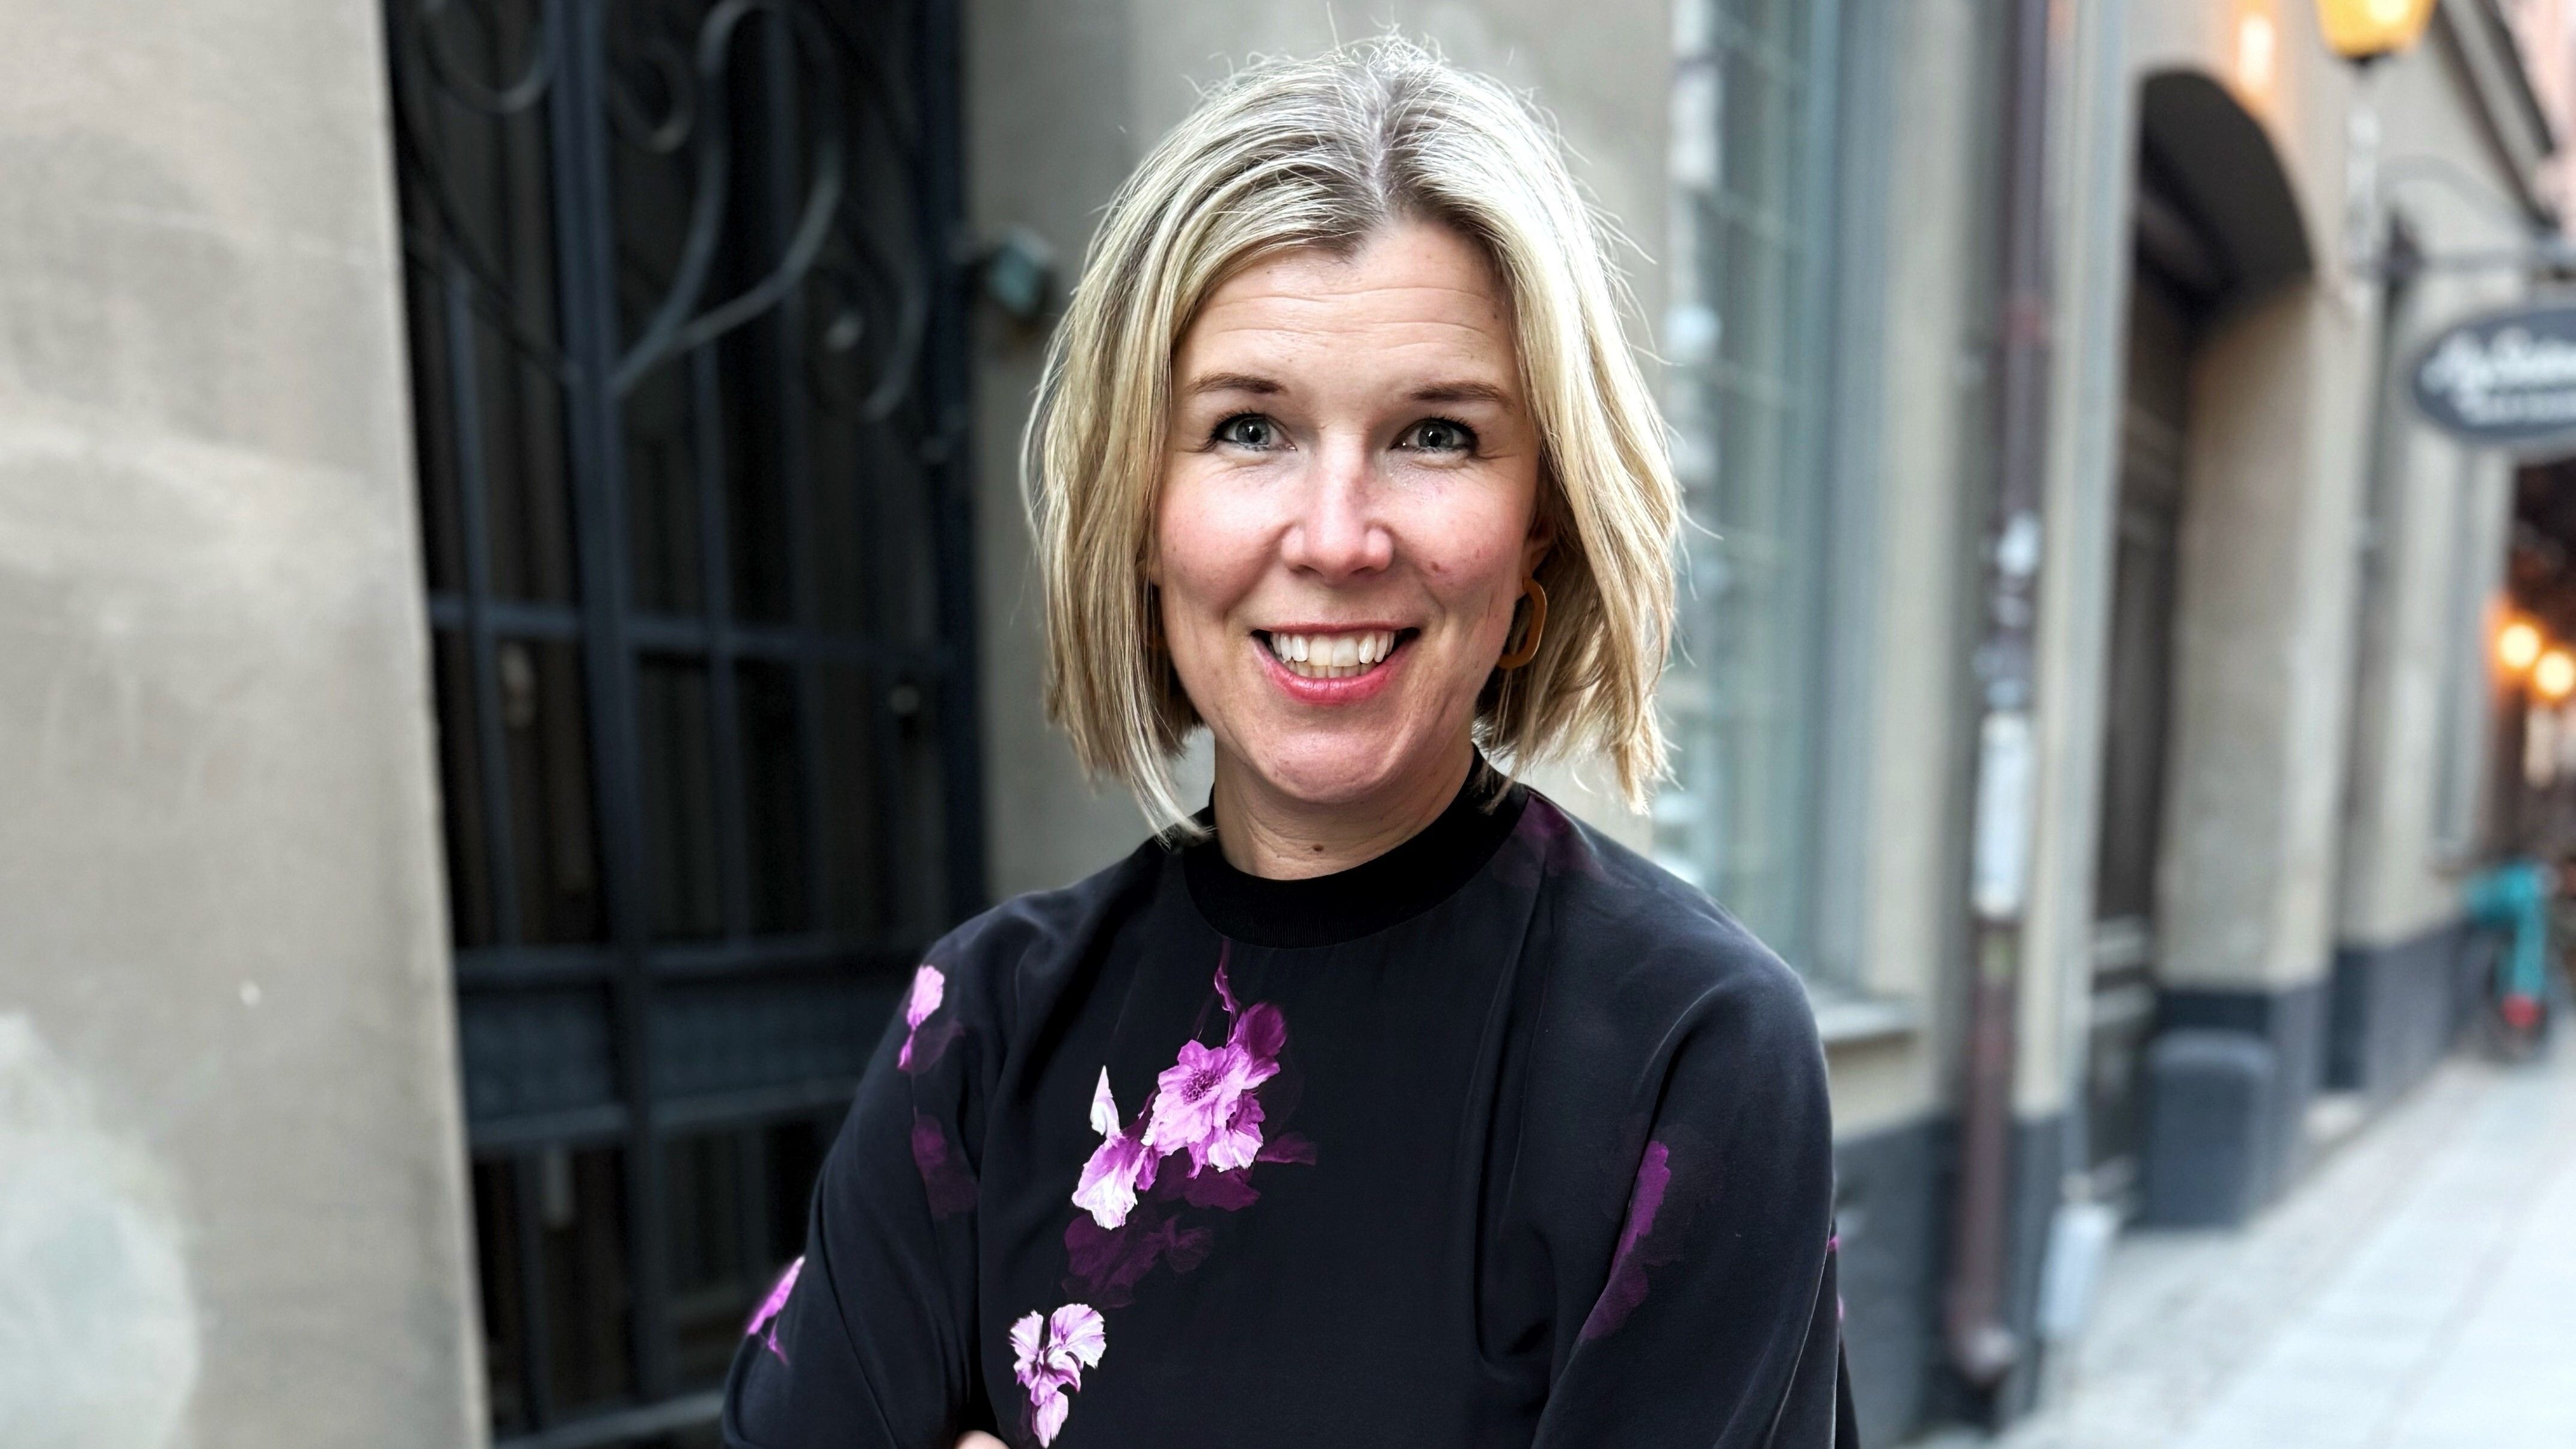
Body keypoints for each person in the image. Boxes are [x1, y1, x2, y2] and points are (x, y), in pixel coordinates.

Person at [722, 38, 1854, 1449]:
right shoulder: (989, 1024)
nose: (1334, 536)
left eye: (1436, 434)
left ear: (1541, 521)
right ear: (1141, 511)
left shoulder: (1692, 1056)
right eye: (1249, 426)